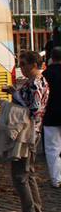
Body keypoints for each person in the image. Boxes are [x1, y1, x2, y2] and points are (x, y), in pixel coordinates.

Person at [4, 50, 48, 212]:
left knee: (20, 175)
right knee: (28, 174)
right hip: (33, 132)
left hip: (27, 132)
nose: (20, 67)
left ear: (33, 64)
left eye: (23, 64)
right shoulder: (39, 81)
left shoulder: (35, 83)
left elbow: (34, 110)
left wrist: (15, 95)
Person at [43, 46, 61, 188]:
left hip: (50, 115)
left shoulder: (45, 74)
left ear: (51, 58)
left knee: (52, 149)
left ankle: (56, 179)